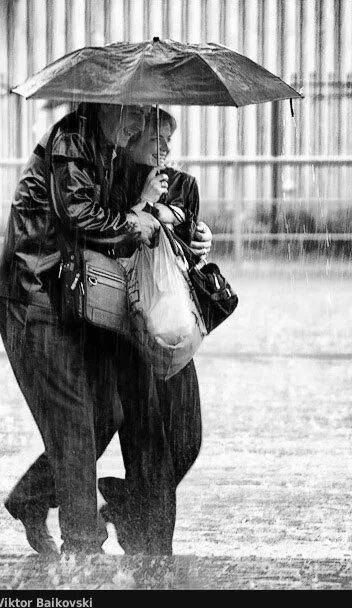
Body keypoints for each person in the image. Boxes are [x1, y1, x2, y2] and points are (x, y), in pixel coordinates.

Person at [95, 108, 213, 555]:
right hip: (129, 330)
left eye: (170, 138)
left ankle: (128, 505)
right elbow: (109, 242)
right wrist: (142, 203)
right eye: (155, 137)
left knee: (187, 438)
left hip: (173, 326)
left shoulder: (184, 185)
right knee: (148, 446)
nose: (165, 147)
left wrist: (202, 241)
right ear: (133, 138)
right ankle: (154, 553)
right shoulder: (113, 181)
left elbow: (185, 256)